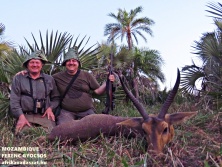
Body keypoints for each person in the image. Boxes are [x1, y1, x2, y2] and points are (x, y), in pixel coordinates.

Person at [53, 47, 115, 125]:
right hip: (67, 112)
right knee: (64, 128)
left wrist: (108, 82)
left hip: (87, 111)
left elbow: (98, 91)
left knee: (96, 126)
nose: (71, 63)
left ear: (78, 63)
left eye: (74, 61)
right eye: (68, 61)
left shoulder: (87, 75)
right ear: (65, 63)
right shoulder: (56, 77)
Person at [10, 50, 60, 134]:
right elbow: (14, 100)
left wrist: (50, 108)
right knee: (23, 136)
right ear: (27, 65)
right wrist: (20, 116)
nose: (35, 65)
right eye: (32, 62)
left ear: (42, 65)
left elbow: (56, 98)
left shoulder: (49, 79)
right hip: (25, 115)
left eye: (37, 62)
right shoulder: (19, 78)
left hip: (44, 115)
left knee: (51, 135)